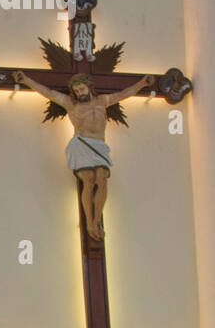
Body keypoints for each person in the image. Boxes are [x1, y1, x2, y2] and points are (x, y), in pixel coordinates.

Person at [12, 69, 153, 239]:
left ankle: (96, 218)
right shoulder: (71, 104)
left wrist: (143, 83)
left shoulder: (102, 101)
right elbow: (48, 92)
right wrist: (26, 80)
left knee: (102, 179)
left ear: (89, 87)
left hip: (99, 145)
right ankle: (90, 223)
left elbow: (125, 93)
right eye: (77, 91)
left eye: (82, 89)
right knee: (89, 180)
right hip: (81, 144)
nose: (79, 93)